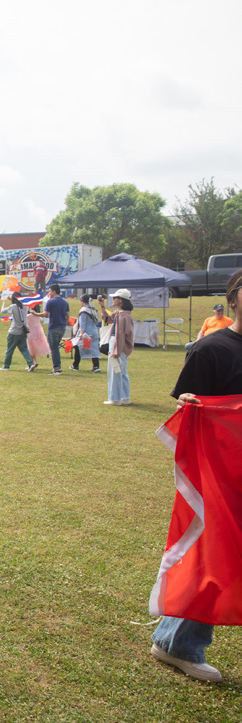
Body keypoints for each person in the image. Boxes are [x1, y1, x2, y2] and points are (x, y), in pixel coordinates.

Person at [150, 270, 242, 683]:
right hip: (222, 477)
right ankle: (179, 644)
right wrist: (192, 405)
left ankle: (174, 640)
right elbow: (188, 402)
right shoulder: (212, 349)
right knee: (215, 554)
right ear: (235, 299)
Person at [99, 289, 134, 405]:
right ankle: (124, 397)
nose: (113, 300)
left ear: (121, 300)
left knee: (115, 370)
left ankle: (115, 399)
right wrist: (102, 306)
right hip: (119, 344)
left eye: (115, 298)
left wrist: (117, 350)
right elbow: (107, 318)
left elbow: (123, 334)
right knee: (121, 371)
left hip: (118, 344)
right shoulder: (120, 313)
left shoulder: (123, 315)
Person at [29, 284, 69, 374]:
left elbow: (45, 314)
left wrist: (35, 313)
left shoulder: (51, 302)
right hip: (62, 327)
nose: (49, 293)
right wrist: (64, 324)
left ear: (54, 291)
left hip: (53, 327)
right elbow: (68, 316)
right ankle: (57, 366)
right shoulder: (65, 302)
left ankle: (57, 368)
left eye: (50, 291)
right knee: (56, 347)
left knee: (54, 348)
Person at [0, 294, 36, 372]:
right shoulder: (25, 306)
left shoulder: (13, 307)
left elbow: (3, 311)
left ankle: (6, 366)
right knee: (24, 349)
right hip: (23, 331)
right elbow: (19, 306)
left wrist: (4, 302)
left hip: (14, 331)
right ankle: (30, 363)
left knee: (10, 349)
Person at [70, 295, 101, 372]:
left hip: (85, 333)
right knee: (94, 349)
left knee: (77, 347)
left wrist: (80, 333)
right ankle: (96, 366)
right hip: (94, 332)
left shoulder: (83, 311)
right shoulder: (93, 310)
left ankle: (75, 365)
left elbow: (82, 324)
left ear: (83, 302)